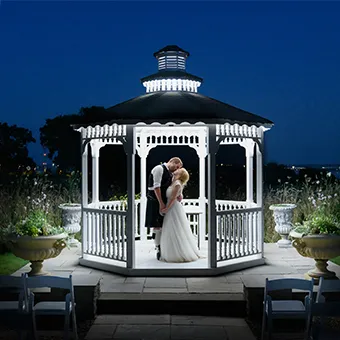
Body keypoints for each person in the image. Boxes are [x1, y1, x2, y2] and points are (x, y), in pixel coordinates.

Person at [145, 157, 183, 260]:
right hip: (154, 201)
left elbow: (172, 186)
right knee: (157, 226)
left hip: (163, 201)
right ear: (172, 161)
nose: (177, 169)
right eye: (177, 166)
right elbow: (156, 187)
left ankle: (164, 247)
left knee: (163, 225)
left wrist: (179, 194)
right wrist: (161, 203)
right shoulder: (159, 169)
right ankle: (158, 248)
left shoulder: (171, 173)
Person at [160, 168, 201, 263]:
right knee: (170, 229)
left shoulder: (177, 183)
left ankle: (177, 253)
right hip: (171, 207)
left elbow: (173, 198)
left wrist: (166, 209)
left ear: (180, 174)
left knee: (174, 229)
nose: (177, 170)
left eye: (179, 170)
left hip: (173, 208)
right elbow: (178, 196)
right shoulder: (173, 181)